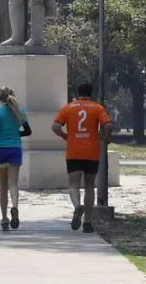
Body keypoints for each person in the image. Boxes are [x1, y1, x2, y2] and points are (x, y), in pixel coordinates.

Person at [52, 83, 112, 233]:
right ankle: (88, 222)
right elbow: (108, 124)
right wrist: (106, 137)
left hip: (74, 152)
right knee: (90, 186)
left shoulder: (68, 107)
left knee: (73, 184)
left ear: (78, 92)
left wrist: (66, 136)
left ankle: (77, 206)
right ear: (91, 93)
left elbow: (55, 126)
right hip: (91, 152)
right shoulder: (97, 108)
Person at [0, 86, 31, 231]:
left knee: (2, 186)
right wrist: (16, 135)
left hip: (0, 149)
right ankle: (15, 207)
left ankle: (4, 218)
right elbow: (28, 131)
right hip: (15, 149)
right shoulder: (20, 111)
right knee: (13, 184)